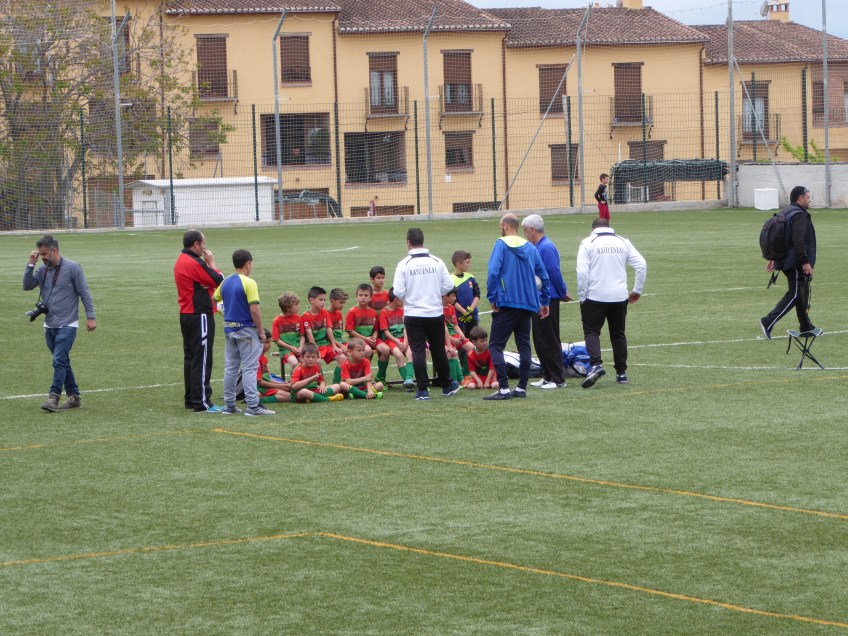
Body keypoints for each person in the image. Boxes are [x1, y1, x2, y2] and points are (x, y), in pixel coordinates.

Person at [23, 234, 97, 412]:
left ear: (54, 251)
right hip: (49, 324)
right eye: (40, 254)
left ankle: (53, 397)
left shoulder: (73, 268)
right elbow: (27, 285)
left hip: (68, 323)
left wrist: (91, 317)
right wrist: (31, 264)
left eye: (44, 254)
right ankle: (74, 396)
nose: (42, 257)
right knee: (62, 361)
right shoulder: (42, 269)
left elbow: (84, 293)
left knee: (58, 360)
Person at [485, 213, 551, 401]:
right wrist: (544, 301)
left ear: (505, 226)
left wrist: (492, 297)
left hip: (507, 303)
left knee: (495, 345)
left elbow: (493, 272)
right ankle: (521, 388)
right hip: (528, 304)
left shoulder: (501, 244)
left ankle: (504, 389)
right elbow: (544, 276)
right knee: (524, 346)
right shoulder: (530, 247)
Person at [576, 218, 647, 388]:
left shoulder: (587, 243)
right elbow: (641, 265)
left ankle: (596, 365)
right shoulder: (623, 242)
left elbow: (582, 272)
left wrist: (582, 295)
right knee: (618, 333)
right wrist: (637, 290)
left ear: (593, 228)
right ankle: (621, 373)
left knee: (592, 331)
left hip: (595, 295)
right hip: (619, 296)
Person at [393, 227, 460, 400]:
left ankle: (423, 390)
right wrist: (434, 293)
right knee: (438, 349)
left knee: (418, 351)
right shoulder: (436, 261)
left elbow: (398, 291)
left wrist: (411, 296)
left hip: (414, 314)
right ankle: (447, 385)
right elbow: (448, 286)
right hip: (434, 312)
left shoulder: (404, 264)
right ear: (423, 241)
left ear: (408, 243)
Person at [213, 249, 275, 416]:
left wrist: (227, 312)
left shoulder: (226, 281)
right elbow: (254, 310)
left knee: (231, 368)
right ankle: (253, 406)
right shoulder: (249, 283)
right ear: (248, 263)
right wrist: (261, 331)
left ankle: (229, 405)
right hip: (247, 330)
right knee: (250, 368)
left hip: (229, 329)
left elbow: (215, 298)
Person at [174, 229, 224, 412]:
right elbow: (219, 281)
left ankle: (191, 398)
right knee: (202, 358)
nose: (205, 247)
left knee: (191, 358)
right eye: (203, 243)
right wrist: (211, 263)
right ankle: (202, 402)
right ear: (196, 244)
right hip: (199, 314)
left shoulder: (181, 259)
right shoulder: (195, 262)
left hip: (187, 315)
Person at [760, 185, 817, 339]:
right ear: (800, 198)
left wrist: (774, 257)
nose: (809, 200)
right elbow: (799, 241)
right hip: (795, 262)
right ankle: (768, 321)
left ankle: (806, 327)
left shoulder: (786, 212)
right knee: (795, 293)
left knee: (800, 293)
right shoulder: (799, 215)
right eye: (808, 197)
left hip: (786, 260)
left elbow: (781, 238)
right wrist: (805, 261)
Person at [522, 214, 571, 390]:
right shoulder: (538, 246)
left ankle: (558, 379)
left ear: (532, 230)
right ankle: (547, 375)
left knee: (549, 338)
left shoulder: (546, 247)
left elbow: (554, 272)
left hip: (548, 299)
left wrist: (562, 292)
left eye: (525, 231)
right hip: (538, 299)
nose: (524, 234)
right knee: (540, 338)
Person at [377, 288, 415, 390]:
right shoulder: (384, 312)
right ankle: (407, 382)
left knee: (410, 353)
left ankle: (409, 379)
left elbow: (406, 328)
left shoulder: (402, 310)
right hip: (391, 340)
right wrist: (397, 342)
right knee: (399, 355)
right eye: (403, 298)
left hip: (403, 339)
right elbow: (386, 332)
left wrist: (406, 341)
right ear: (396, 300)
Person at [271, 291, 304, 380]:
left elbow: (302, 335)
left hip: (298, 348)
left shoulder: (298, 318)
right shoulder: (277, 321)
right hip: (285, 350)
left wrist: (301, 347)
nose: (298, 307)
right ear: (288, 308)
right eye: (296, 305)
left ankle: (303, 383)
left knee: (305, 363)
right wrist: (290, 347)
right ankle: (293, 382)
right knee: (294, 363)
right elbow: (276, 339)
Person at [256, 329, 292, 406]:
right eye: (267, 342)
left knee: (290, 392)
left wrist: (282, 384)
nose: (270, 344)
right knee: (291, 397)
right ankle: (261, 399)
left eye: (270, 342)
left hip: (267, 388)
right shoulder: (256, 360)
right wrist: (279, 386)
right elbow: (260, 382)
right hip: (261, 389)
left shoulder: (264, 358)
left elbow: (268, 378)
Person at [450, 250, 480, 338]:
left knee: (474, 340)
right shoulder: (450, 280)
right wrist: (464, 312)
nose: (469, 265)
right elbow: (452, 300)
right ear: (459, 264)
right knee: (462, 342)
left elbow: (477, 294)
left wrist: (470, 310)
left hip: (473, 316)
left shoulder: (470, 277)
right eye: (467, 262)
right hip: (459, 318)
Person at [466, 326, 496, 390]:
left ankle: (487, 383)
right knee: (470, 386)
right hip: (478, 375)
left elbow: (492, 368)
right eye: (482, 341)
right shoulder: (470, 354)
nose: (485, 343)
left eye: (486, 340)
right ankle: (480, 383)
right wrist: (479, 381)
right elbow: (472, 371)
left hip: (490, 374)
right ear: (474, 342)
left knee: (495, 385)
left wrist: (487, 382)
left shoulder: (490, 351)